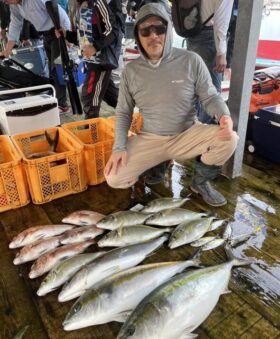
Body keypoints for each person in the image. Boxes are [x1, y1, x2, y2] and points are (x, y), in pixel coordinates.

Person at [104, 3, 238, 207]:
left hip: (187, 134)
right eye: (145, 30)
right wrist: (119, 147)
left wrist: (223, 116)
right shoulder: (130, 72)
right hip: (150, 138)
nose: (153, 35)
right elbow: (123, 112)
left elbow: (210, 97)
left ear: (168, 29)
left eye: (159, 28)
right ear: (138, 36)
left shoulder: (192, 60)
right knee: (114, 178)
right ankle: (159, 163)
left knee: (230, 139)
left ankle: (200, 183)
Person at [0, 0, 71, 113]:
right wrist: (7, 49)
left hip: (58, 31)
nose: (6, 3)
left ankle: (62, 104)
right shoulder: (15, 6)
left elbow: (59, 12)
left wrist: (68, 35)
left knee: (56, 68)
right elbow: (15, 24)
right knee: (51, 68)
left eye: (6, 0)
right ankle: (54, 95)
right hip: (45, 34)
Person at [56, 0, 124, 119]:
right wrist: (67, 34)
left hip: (100, 60)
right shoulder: (76, 6)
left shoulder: (98, 3)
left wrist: (95, 47)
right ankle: (131, 114)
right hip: (90, 60)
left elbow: (113, 30)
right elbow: (82, 36)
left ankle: (91, 131)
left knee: (89, 97)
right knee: (110, 95)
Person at [187, 0, 233, 124]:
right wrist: (221, 52)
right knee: (211, 94)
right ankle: (206, 135)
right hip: (209, 37)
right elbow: (221, 21)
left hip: (193, 32)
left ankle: (193, 131)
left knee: (195, 88)